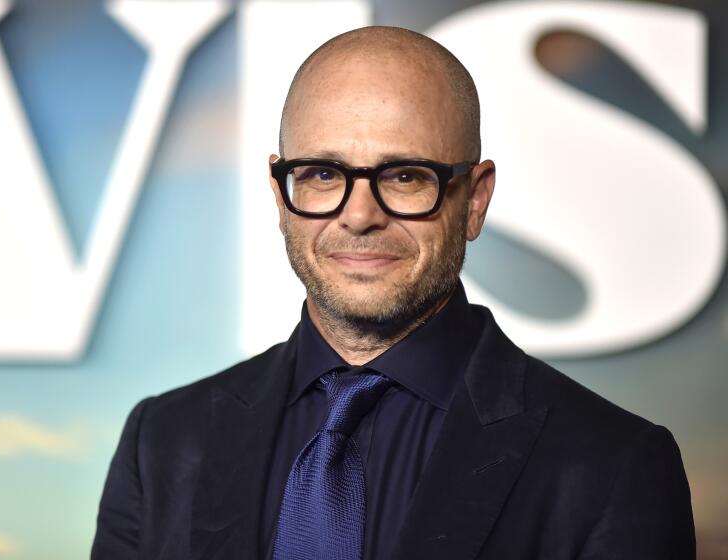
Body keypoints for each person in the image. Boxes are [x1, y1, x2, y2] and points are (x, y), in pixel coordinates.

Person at [91, 26, 696, 560]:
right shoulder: (163, 442)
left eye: (405, 176)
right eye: (323, 174)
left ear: (475, 199)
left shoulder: (614, 465)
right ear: (282, 196)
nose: (359, 216)